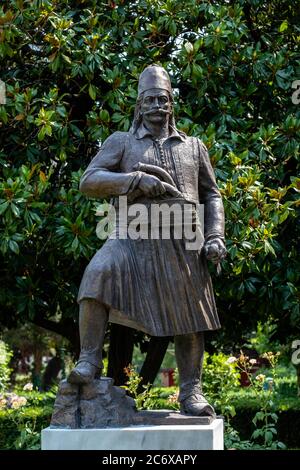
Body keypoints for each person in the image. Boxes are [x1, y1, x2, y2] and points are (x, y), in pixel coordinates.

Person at [68, 65, 226, 416]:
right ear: (139, 105)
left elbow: (212, 195)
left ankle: (190, 392)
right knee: (97, 273)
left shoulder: (194, 147)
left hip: (182, 237)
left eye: (163, 99)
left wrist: (215, 235)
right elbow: (89, 181)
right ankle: (89, 361)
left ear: (172, 104)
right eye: (150, 99)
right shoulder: (121, 143)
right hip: (131, 235)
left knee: (190, 316)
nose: (157, 105)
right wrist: (134, 179)